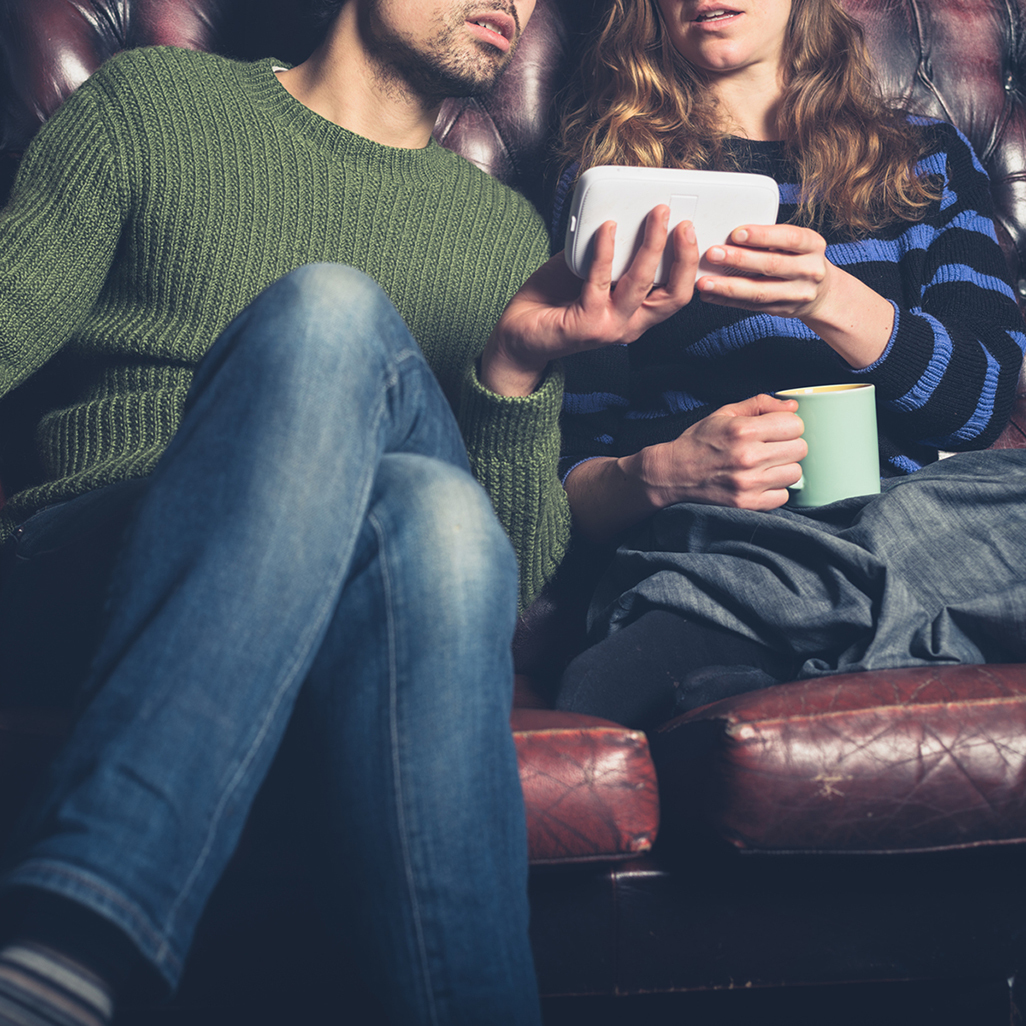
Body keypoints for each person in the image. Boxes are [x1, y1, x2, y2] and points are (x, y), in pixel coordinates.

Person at [0, 0, 695, 1023]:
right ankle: (86, 920)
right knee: (329, 309)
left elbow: (482, 596)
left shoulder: (503, 233)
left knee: (436, 517)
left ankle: (75, 948)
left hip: (359, 628)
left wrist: (516, 366)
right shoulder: (152, 104)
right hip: (94, 560)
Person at [551, 0, 1026, 730]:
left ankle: (774, 629)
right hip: (717, 540)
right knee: (645, 636)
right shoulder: (612, 187)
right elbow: (566, 481)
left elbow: (981, 402)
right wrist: (667, 473)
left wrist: (832, 299)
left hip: (902, 522)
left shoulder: (923, 156)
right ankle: (879, 637)